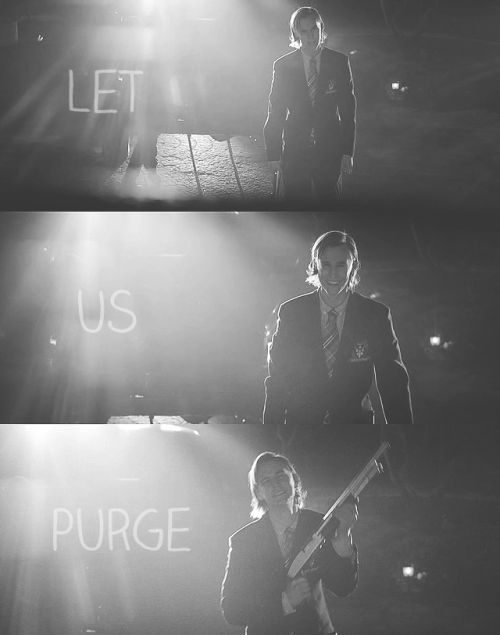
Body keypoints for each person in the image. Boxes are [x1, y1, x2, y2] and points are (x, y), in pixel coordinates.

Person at [263, 231, 413, 425]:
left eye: (341, 265)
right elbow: (277, 379)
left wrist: (401, 431)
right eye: (326, 265)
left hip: (354, 425)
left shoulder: (375, 315)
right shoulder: (292, 313)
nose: (333, 274)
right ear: (315, 265)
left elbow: (393, 384)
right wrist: (271, 429)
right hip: (302, 426)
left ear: (354, 266)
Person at [221, 451, 358, 635]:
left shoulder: (321, 525)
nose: (276, 484)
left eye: (280, 476)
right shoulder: (244, 541)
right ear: (259, 492)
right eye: (266, 481)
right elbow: (233, 610)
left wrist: (343, 534)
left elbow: (343, 587)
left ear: (294, 480)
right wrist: (285, 602)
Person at [263, 6, 356, 201]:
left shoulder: (338, 62)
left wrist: (347, 151)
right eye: (304, 31)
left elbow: (348, 110)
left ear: (321, 28)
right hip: (295, 148)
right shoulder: (283, 66)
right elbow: (276, 111)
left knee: (329, 202)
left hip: (330, 148)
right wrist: (273, 153)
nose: (310, 36)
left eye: (314, 29)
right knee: (295, 203)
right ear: (295, 33)